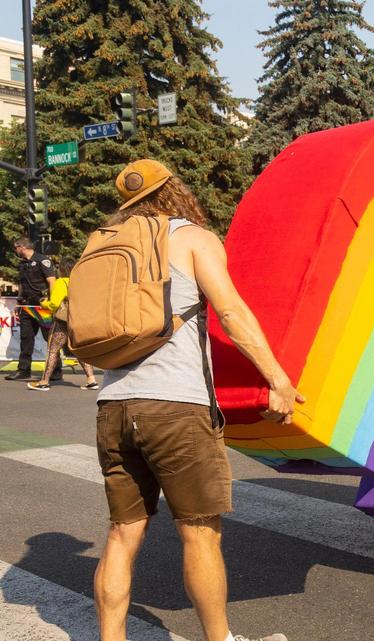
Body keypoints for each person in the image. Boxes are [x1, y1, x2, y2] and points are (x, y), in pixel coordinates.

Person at [93, 159, 301, 641]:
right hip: (175, 407)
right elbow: (230, 312)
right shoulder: (192, 238)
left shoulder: (102, 244)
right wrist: (277, 378)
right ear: (176, 191)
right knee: (200, 532)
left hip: (113, 404)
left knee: (122, 535)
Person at [26, 258, 99, 391]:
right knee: (79, 350)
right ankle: (91, 380)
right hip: (79, 320)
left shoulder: (62, 282)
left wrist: (43, 303)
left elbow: (54, 304)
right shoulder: (82, 282)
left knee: (53, 350)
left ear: (62, 269)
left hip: (63, 321)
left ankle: (44, 381)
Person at [6, 237, 60, 382]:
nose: (15, 251)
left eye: (15, 248)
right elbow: (22, 285)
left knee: (49, 338)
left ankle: (55, 370)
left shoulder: (43, 260)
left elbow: (52, 281)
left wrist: (51, 301)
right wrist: (18, 302)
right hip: (26, 306)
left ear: (22, 247)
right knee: (26, 338)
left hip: (42, 306)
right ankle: (23, 370)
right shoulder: (23, 264)